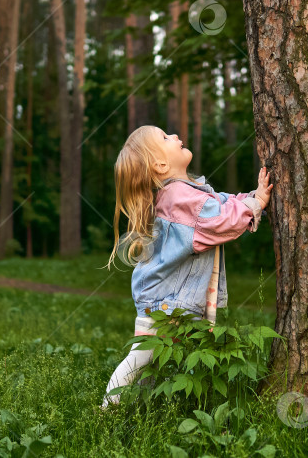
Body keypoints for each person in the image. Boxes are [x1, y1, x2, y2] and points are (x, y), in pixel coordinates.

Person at [100, 125, 273, 409]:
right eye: (166, 138)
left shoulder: (184, 193)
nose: (176, 136)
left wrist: (251, 198)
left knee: (156, 361)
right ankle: (108, 410)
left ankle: (154, 409)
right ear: (160, 164)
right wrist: (255, 203)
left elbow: (220, 204)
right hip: (166, 303)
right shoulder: (179, 196)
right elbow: (220, 220)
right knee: (142, 359)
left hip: (170, 300)